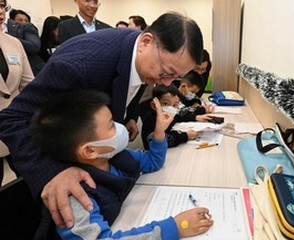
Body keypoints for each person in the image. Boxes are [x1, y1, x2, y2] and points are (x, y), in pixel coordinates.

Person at [0, 12, 203, 229]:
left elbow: (132, 81)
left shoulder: (145, 57)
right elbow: (12, 118)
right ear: (146, 41)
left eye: (175, 76)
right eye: (166, 72)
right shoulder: (80, 65)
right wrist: (52, 172)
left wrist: (130, 116)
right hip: (74, 187)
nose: (166, 81)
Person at [30, 90, 213, 239]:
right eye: (111, 125)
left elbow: (153, 162)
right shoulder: (76, 196)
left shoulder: (118, 157)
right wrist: (174, 228)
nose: (120, 128)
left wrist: (159, 132)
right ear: (89, 151)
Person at [0, 0, 34, 185]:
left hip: (16, 129)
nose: (0, 11)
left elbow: (29, 85)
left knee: (28, 185)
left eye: (2, 5)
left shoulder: (14, 43)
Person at [141, 84, 211, 150]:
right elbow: (164, 141)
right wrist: (185, 136)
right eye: (165, 103)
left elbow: (179, 116)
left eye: (174, 105)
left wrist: (195, 117)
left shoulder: (169, 115)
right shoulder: (151, 119)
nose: (171, 108)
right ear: (154, 105)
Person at [5, 7, 45, 75]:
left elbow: (34, 46)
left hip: (32, 71)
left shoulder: (28, 28)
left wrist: (8, 38)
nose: (24, 23)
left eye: (26, 20)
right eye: (20, 20)